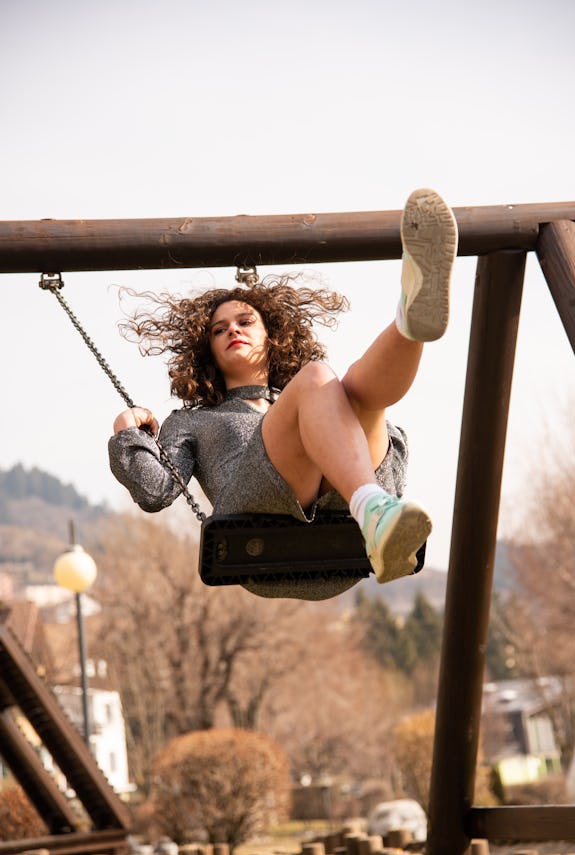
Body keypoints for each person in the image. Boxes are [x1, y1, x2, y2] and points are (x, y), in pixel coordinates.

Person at [108, 188, 458, 600]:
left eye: (244, 322)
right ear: (208, 353)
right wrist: (126, 431)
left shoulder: (320, 402)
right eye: (219, 330)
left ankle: (410, 323)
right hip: (257, 526)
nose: (232, 331)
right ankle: (374, 512)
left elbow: (392, 469)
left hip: (344, 535)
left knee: (354, 394)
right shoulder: (194, 419)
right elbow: (154, 492)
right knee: (317, 381)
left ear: (273, 339)